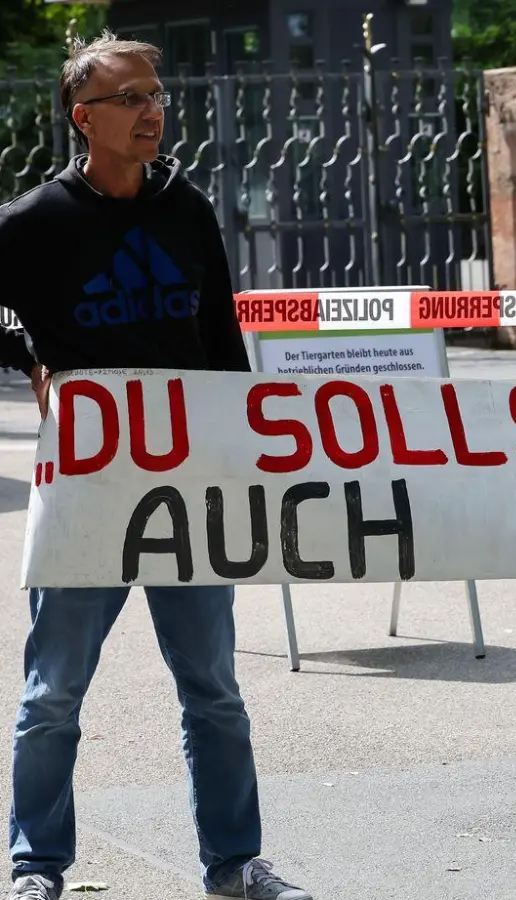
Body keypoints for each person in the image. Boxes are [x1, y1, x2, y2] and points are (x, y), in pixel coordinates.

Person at [0, 31, 312, 900]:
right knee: (53, 693)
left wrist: (247, 449)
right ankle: (36, 867)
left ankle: (234, 863)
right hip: (88, 491)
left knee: (213, 687)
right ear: (83, 118)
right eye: (130, 98)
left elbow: (220, 336)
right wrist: (26, 354)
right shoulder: (34, 224)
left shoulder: (187, 208)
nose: (151, 111)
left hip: (192, 488)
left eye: (155, 96)